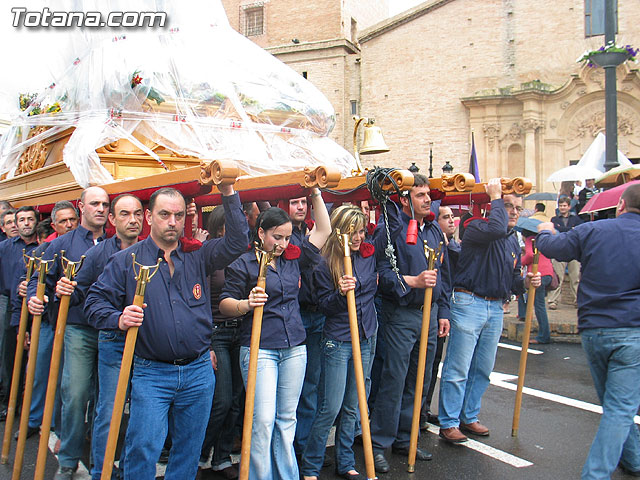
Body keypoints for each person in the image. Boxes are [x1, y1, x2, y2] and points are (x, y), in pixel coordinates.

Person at [85, 185, 248, 480]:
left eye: (177, 215)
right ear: (149, 217)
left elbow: (238, 241)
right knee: (143, 447)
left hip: (199, 372)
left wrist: (228, 191)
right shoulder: (126, 261)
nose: (172, 222)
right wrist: (118, 318)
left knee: (188, 449)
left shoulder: (199, 256)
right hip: (151, 373)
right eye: (164, 215)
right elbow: (93, 302)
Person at [219, 189, 330, 480]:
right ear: (261, 233)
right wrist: (246, 304)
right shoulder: (243, 263)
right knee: (263, 420)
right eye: (276, 237)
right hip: (259, 348)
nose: (282, 244)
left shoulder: (294, 259)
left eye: (287, 238)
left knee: (286, 420)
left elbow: (324, 230)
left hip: (294, 346)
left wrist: (315, 192)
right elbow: (224, 304)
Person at [536, 183, 640, 479]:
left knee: (615, 402)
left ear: (620, 206)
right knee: (620, 406)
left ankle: (633, 458)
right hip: (633, 329)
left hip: (595, 329)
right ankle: (595, 475)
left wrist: (545, 229)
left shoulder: (595, 230)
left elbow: (552, 247)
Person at [301, 203, 400, 480]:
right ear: (338, 233)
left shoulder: (368, 256)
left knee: (353, 405)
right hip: (338, 340)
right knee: (329, 407)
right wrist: (340, 293)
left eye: (360, 232)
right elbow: (323, 306)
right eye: (351, 232)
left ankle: (345, 461)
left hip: (367, 336)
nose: (358, 238)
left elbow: (393, 229)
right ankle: (310, 465)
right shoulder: (323, 262)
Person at [438, 178, 541, 444]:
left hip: (495, 306)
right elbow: (495, 227)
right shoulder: (477, 228)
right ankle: (448, 422)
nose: (514, 212)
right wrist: (495, 195)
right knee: (458, 368)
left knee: (483, 368)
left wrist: (526, 283)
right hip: (469, 302)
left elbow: (509, 279)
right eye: (508, 206)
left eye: (518, 207)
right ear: (493, 208)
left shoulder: (510, 241)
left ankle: (468, 416)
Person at [55, 194, 143, 480]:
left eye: (137, 213)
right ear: (112, 220)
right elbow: (80, 292)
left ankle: (116, 464)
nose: (132, 219)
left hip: (134, 337)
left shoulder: (152, 250)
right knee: (80, 395)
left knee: (131, 406)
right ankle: (72, 462)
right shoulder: (94, 252)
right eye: (124, 213)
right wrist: (62, 289)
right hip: (87, 330)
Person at [369, 173, 451, 473]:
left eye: (428, 194)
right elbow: (380, 273)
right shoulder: (389, 230)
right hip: (401, 314)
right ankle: (379, 443)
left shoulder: (431, 230)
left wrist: (443, 311)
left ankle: (407, 438)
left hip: (429, 315)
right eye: (420, 195)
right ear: (404, 199)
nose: (428, 199)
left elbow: (441, 275)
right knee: (394, 379)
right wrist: (412, 280)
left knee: (420, 379)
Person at [27, 187, 110, 480]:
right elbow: (39, 278)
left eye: (105, 204)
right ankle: (69, 458)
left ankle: (104, 462)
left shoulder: (118, 243)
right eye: (95, 203)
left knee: (108, 401)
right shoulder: (60, 245)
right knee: (74, 394)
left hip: (112, 331)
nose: (100, 208)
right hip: (77, 328)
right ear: (81, 207)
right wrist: (35, 297)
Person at [198, 206, 244, 480]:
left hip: (240, 330)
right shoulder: (211, 255)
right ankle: (200, 454)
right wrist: (206, 344)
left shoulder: (246, 255)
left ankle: (222, 457)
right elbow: (200, 299)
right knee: (222, 400)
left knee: (237, 400)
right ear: (219, 229)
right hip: (216, 332)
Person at [422, 205, 460, 428]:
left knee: (433, 363)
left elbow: (447, 282)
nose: (451, 221)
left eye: (452, 217)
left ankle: (425, 408)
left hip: (439, 308)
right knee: (422, 364)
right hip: (427, 309)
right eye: (446, 217)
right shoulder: (432, 243)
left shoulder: (450, 246)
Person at [0, 206, 39, 421]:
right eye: (21, 219)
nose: (25, 223)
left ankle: (29, 404)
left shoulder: (44, 247)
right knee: (10, 354)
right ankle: (9, 402)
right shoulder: (4, 248)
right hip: (9, 305)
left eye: (29, 219)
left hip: (34, 305)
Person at [547, 196, 582, 309]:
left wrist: (562, 229)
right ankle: (553, 300)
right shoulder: (554, 219)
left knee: (575, 276)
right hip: (559, 249)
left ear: (569, 207)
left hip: (574, 249)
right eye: (561, 206)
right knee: (557, 276)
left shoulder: (576, 219)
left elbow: (578, 230)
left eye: (564, 206)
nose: (562, 208)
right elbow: (555, 231)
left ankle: (578, 299)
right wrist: (570, 229)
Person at [520, 231, 553, 344]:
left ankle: (544, 336)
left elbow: (530, 255)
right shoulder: (542, 239)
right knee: (536, 302)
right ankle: (522, 315)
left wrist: (521, 262)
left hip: (538, 273)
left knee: (539, 306)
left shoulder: (531, 239)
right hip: (548, 273)